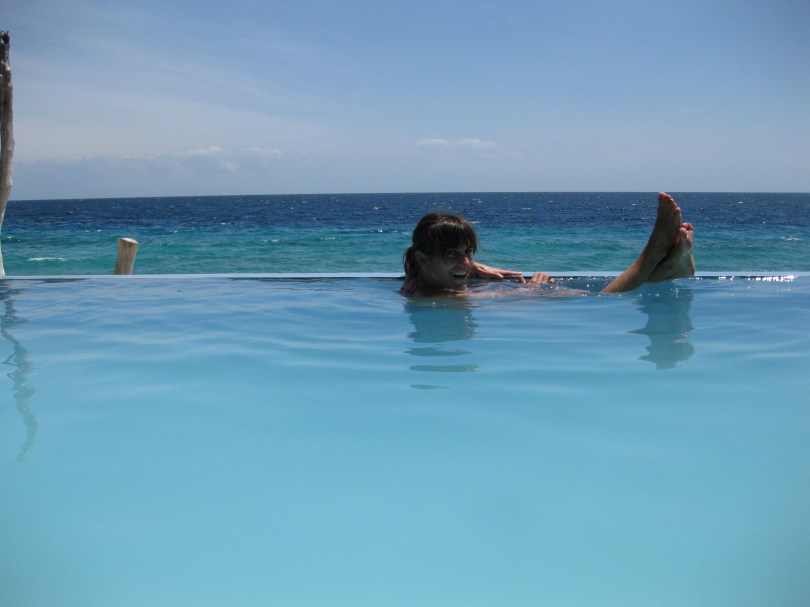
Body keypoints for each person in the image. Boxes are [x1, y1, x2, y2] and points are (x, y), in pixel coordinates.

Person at [400, 192, 695, 296]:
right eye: (452, 254)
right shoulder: (428, 298)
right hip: (520, 303)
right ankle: (654, 251)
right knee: (600, 300)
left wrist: (475, 267)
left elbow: (442, 264)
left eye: (468, 252)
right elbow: (480, 304)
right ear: (425, 259)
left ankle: (673, 267)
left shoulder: (421, 270)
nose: (465, 261)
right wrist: (531, 293)